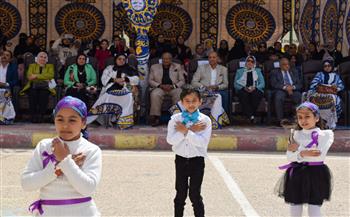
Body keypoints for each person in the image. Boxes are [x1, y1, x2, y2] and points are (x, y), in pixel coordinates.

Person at [21, 96, 101, 216]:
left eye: (72, 120)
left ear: (83, 123)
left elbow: (88, 189)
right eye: (60, 119)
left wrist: (65, 160)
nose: (65, 125)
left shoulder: (91, 150)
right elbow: (26, 184)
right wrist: (57, 168)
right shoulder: (44, 146)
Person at [276, 102, 333, 217]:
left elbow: (318, 154)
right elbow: (289, 156)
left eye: (307, 116)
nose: (303, 120)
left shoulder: (325, 134)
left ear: (316, 118)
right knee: (295, 208)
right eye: (300, 117)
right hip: (297, 173)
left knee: (314, 209)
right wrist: (303, 153)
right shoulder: (295, 134)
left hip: (317, 173)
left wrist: (299, 151)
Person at [166, 88, 212, 217]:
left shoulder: (205, 120)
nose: (191, 104)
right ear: (181, 102)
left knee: (195, 194)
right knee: (180, 194)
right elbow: (171, 140)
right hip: (180, 159)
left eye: (194, 101)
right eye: (187, 101)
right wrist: (191, 129)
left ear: (200, 102)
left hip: (197, 160)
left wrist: (185, 131)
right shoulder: (175, 119)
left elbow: (202, 143)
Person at [87, 54, 139, 129]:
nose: (121, 61)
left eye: (124, 59)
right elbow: (103, 79)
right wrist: (115, 80)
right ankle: (109, 119)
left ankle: (123, 121)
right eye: (119, 59)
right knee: (107, 96)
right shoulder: (109, 68)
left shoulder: (130, 69)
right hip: (110, 89)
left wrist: (124, 79)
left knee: (129, 97)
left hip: (125, 89)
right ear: (116, 60)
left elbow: (136, 79)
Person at [304, 59, 345, 129]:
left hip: (332, 94)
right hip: (319, 92)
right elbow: (314, 84)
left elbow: (341, 86)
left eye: (329, 66)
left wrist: (336, 88)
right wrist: (320, 86)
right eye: (325, 66)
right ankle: (318, 121)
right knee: (313, 97)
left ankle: (330, 123)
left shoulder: (336, 75)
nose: (327, 67)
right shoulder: (319, 74)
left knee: (333, 99)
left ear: (332, 66)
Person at [148, 52, 185, 126]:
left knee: (179, 93)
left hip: (173, 88)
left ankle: (176, 117)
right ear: (162, 59)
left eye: (168, 59)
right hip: (160, 87)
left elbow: (182, 80)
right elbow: (150, 80)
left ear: (171, 60)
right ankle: (156, 117)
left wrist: (173, 86)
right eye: (164, 59)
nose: (166, 60)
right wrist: (160, 86)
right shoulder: (154, 67)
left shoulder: (177, 66)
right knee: (155, 94)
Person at [20, 51, 56, 123]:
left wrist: (36, 76)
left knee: (44, 94)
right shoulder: (32, 66)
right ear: (37, 58)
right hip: (33, 85)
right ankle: (33, 116)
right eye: (41, 57)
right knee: (33, 93)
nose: (43, 59)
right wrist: (44, 78)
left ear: (47, 59)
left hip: (45, 87)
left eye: (45, 57)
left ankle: (41, 116)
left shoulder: (50, 66)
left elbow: (50, 75)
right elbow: (29, 77)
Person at [270, 57, 302, 126]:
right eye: (284, 64)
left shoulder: (294, 71)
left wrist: (292, 87)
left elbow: (299, 84)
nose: (287, 66)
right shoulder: (274, 72)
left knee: (299, 96)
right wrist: (286, 88)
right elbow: (274, 84)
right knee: (278, 96)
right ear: (280, 65)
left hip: (293, 89)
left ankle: (297, 119)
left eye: (288, 64)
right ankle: (280, 120)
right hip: (281, 89)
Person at [234, 55, 265, 123]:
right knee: (244, 95)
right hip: (243, 89)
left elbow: (262, 83)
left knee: (255, 95)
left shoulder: (258, 71)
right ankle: (252, 116)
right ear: (245, 62)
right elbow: (235, 84)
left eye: (252, 61)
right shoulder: (239, 71)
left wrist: (255, 88)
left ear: (254, 63)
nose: (250, 62)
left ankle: (249, 116)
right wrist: (244, 88)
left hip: (255, 89)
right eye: (248, 61)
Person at [0, 50, 18, 124]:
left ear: (10, 59)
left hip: (6, 87)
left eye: (7, 55)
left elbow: (15, 81)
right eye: (3, 54)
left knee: (4, 93)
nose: (4, 56)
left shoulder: (13, 67)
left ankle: (5, 118)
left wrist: (5, 84)